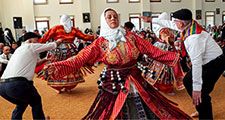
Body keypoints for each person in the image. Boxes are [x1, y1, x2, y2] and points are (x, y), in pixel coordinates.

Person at [44, 8, 191, 119]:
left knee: (147, 104)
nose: (113, 18)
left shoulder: (131, 36)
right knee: (114, 109)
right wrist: (58, 66)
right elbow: (80, 58)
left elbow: (153, 51)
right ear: (104, 20)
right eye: (109, 17)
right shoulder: (100, 43)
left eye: (115, 16)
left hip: (135, 78)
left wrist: (177, 57)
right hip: (114, 81)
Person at [142, 8, 225, 119]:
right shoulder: (189, 25)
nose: (174, 24)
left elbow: (196, 64)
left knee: (201, 92)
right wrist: (151, 20)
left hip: (215, 63)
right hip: (206, 61)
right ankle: (200, 107)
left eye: (176, 22)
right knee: (187, 81)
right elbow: (169, 23)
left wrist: (196, 89)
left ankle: (205, 115)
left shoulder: (194, 38)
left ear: (181, 23)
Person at [0, 32, 62, 120]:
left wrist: (45, 59)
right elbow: (52, 45)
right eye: (36, 40)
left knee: (22, 102)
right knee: (36, 101)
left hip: (2, 87)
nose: (38, 42)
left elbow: (34, 64)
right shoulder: (30, 46)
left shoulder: (19, 50)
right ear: (29, 40)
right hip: (18, 84)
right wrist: (60, 40)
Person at [39, 14, 96, 93]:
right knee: (70, 66)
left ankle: (58, 87)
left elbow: (45, 37)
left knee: (57, 66)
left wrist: (36, 44)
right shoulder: (73, 30)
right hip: (71, 51)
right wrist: (94, 37)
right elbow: (84, 37)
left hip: (58, 50)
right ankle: (69, 86)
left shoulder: (56, 28)